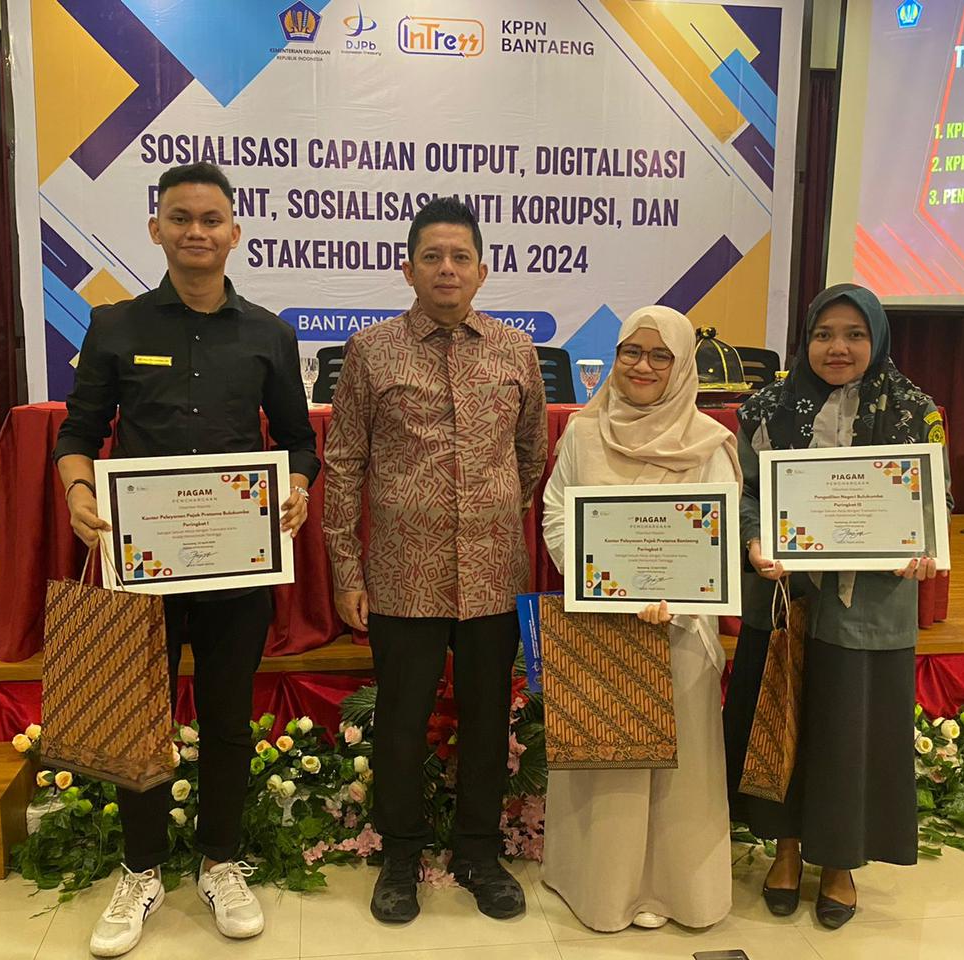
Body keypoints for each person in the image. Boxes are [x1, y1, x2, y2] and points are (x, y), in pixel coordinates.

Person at [53, 162, 320, 957]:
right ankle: (140, 870)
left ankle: (220, 861)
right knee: (141, 721)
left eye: (210, 219)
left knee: (229, 720)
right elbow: (78, 433)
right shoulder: (116, 326)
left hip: (237, 565)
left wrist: (297, 486)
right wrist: (78, 493)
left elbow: (297, 440)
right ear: (156, 229)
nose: (196, 231)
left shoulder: (269, 333)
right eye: (180, 218)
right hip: (145, 566)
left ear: (235, 231)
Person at [323, 197, 548, 923]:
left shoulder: (516, 350)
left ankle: (478, 853)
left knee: (486, 720)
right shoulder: (371, 352)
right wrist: (347, 571)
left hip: (492, 576)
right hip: (402, 576)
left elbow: (531, 455)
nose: (446, 269)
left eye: (459, 257)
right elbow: (344, 463)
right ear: (408, 269)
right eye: (432, 257)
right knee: (401, 722)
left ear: (482, 270)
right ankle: (400, 856)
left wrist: (489, 515)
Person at [722, 283, 951, 930]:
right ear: (806, 341)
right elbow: (745, 492)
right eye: (824, 334)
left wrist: (923, 544)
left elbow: (935, 499)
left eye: (854, 334)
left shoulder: (913, 410)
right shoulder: (767, 406)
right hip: (784, 598)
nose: (837, 347)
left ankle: (840, 864)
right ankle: (786, 850)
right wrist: (754, 539)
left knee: (849, 733)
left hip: (867, 604)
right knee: (783, 719)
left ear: (877, 338)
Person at [540, 305, 740, 932]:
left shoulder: (708, 441)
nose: (643, 366)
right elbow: (555, 512)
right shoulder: (582, 433)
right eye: (631, 351)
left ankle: (678, 890)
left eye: (660, 355)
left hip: (680, 628)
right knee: (607, 756)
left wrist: (675, 595)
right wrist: (602, 582)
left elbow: (718, 531)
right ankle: (601, 887)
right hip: (603, 624)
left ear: (682, 367)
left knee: (682, 765)